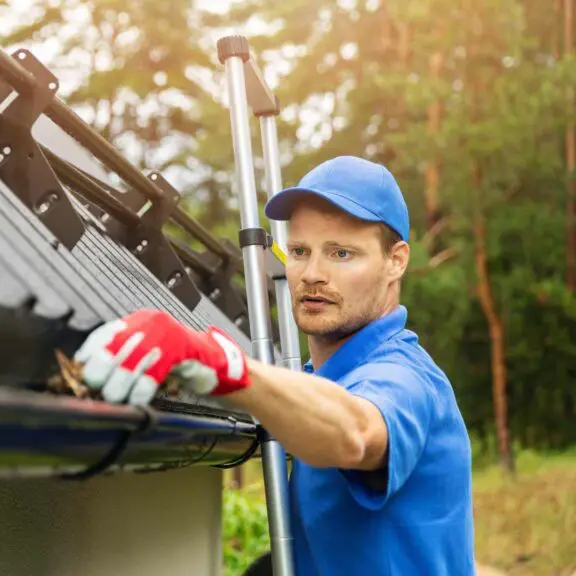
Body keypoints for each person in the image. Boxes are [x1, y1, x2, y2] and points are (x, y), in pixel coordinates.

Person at [73, 156, 476, 576]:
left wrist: (227, 366)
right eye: (299, 251)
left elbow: (356, 433)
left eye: (341, 253)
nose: (312, 274)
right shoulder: (316, 381)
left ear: (396, 261)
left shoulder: (404, 376)